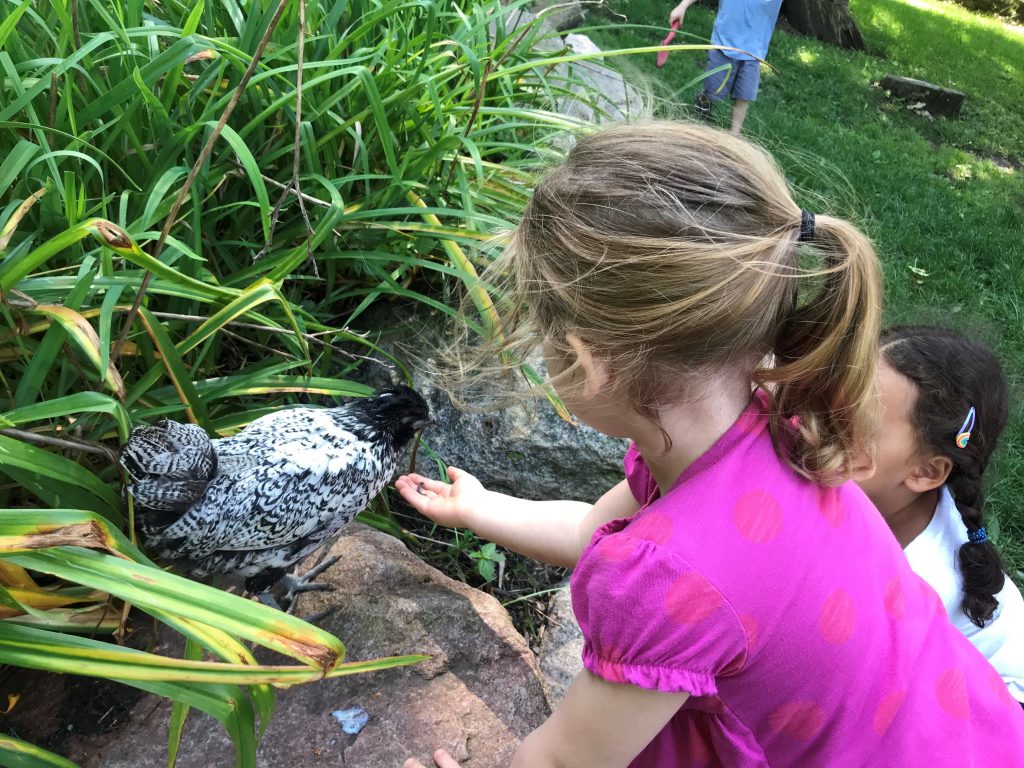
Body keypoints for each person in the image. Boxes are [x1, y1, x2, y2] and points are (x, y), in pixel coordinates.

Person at [397, 121, 1024, 768]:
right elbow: (594, 528)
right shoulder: (776, 425)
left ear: (586, 364)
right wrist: (481, 509)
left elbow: (564, 761)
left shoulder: (673, 573)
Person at [857, 326, 1024, 706]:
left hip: (997, 718)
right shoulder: (896, 495)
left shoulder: (911, 585)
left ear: (926, 473)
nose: (824, 418)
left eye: (859, 420)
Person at [669, 0, 782, 134]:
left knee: (744, 96)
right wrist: (682, 6)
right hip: (723, 44)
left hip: (753, 52)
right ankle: (703, 105)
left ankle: (734, 134)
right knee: (713, 90)